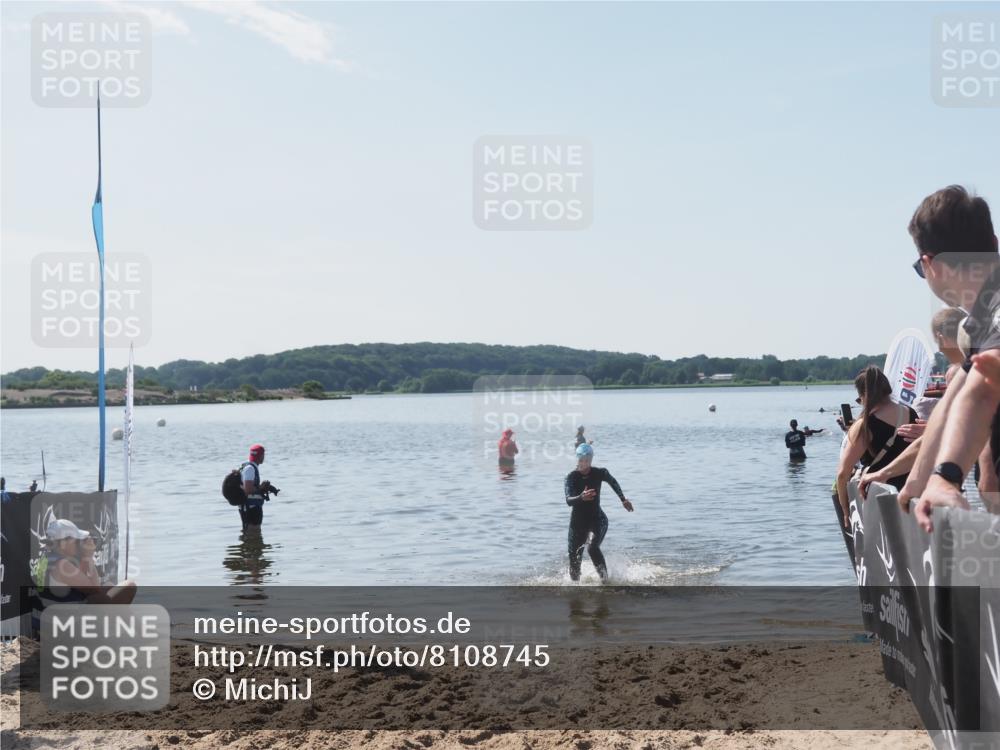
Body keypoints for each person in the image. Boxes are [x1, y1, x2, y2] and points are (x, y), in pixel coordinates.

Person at [894, 186, 1000, 529]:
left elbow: (984, 387)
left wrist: (947, 476)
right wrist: (920, 480)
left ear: (930, 265)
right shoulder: (981, 317)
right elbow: (954, 399)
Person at [835, 366, 918, 528]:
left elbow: (842, 474)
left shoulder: (864, 426)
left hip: (878, 499)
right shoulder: (911, 413)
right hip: (912, 495)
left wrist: (845, 511)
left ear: (864, 395)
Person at [563, 444, 634, 582]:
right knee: (574, 564)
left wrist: (623, 499)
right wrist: (581, 497)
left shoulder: (599, 473)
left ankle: (606, 582)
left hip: (597, 520)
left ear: (591, 459)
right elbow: (568, 500)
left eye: (588, 460)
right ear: (577, 460)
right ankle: (575, 595)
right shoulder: (571, 477)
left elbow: (613, 481)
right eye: (582, 460)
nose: (585, 463)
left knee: (592, 548)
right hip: (577, 524)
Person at [33, 518, 136, 607]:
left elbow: (78, 582)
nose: (79, 543)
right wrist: (88, 556)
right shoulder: (62, 566)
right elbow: (95, 591)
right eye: (76, 540)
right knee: (129, 586)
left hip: (48, 613)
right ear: (63, 543)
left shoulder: (46, 558)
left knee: (108, 586)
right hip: (64, 621)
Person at [240, 444, 278, 530]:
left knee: (250, 535)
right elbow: (248, 489)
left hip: (247, 507)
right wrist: (261, 488)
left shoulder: (247, 466)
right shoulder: (250, 468)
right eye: (263, 455)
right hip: (251, 508)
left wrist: (263, 488)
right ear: (261, 456)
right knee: (254, 533)